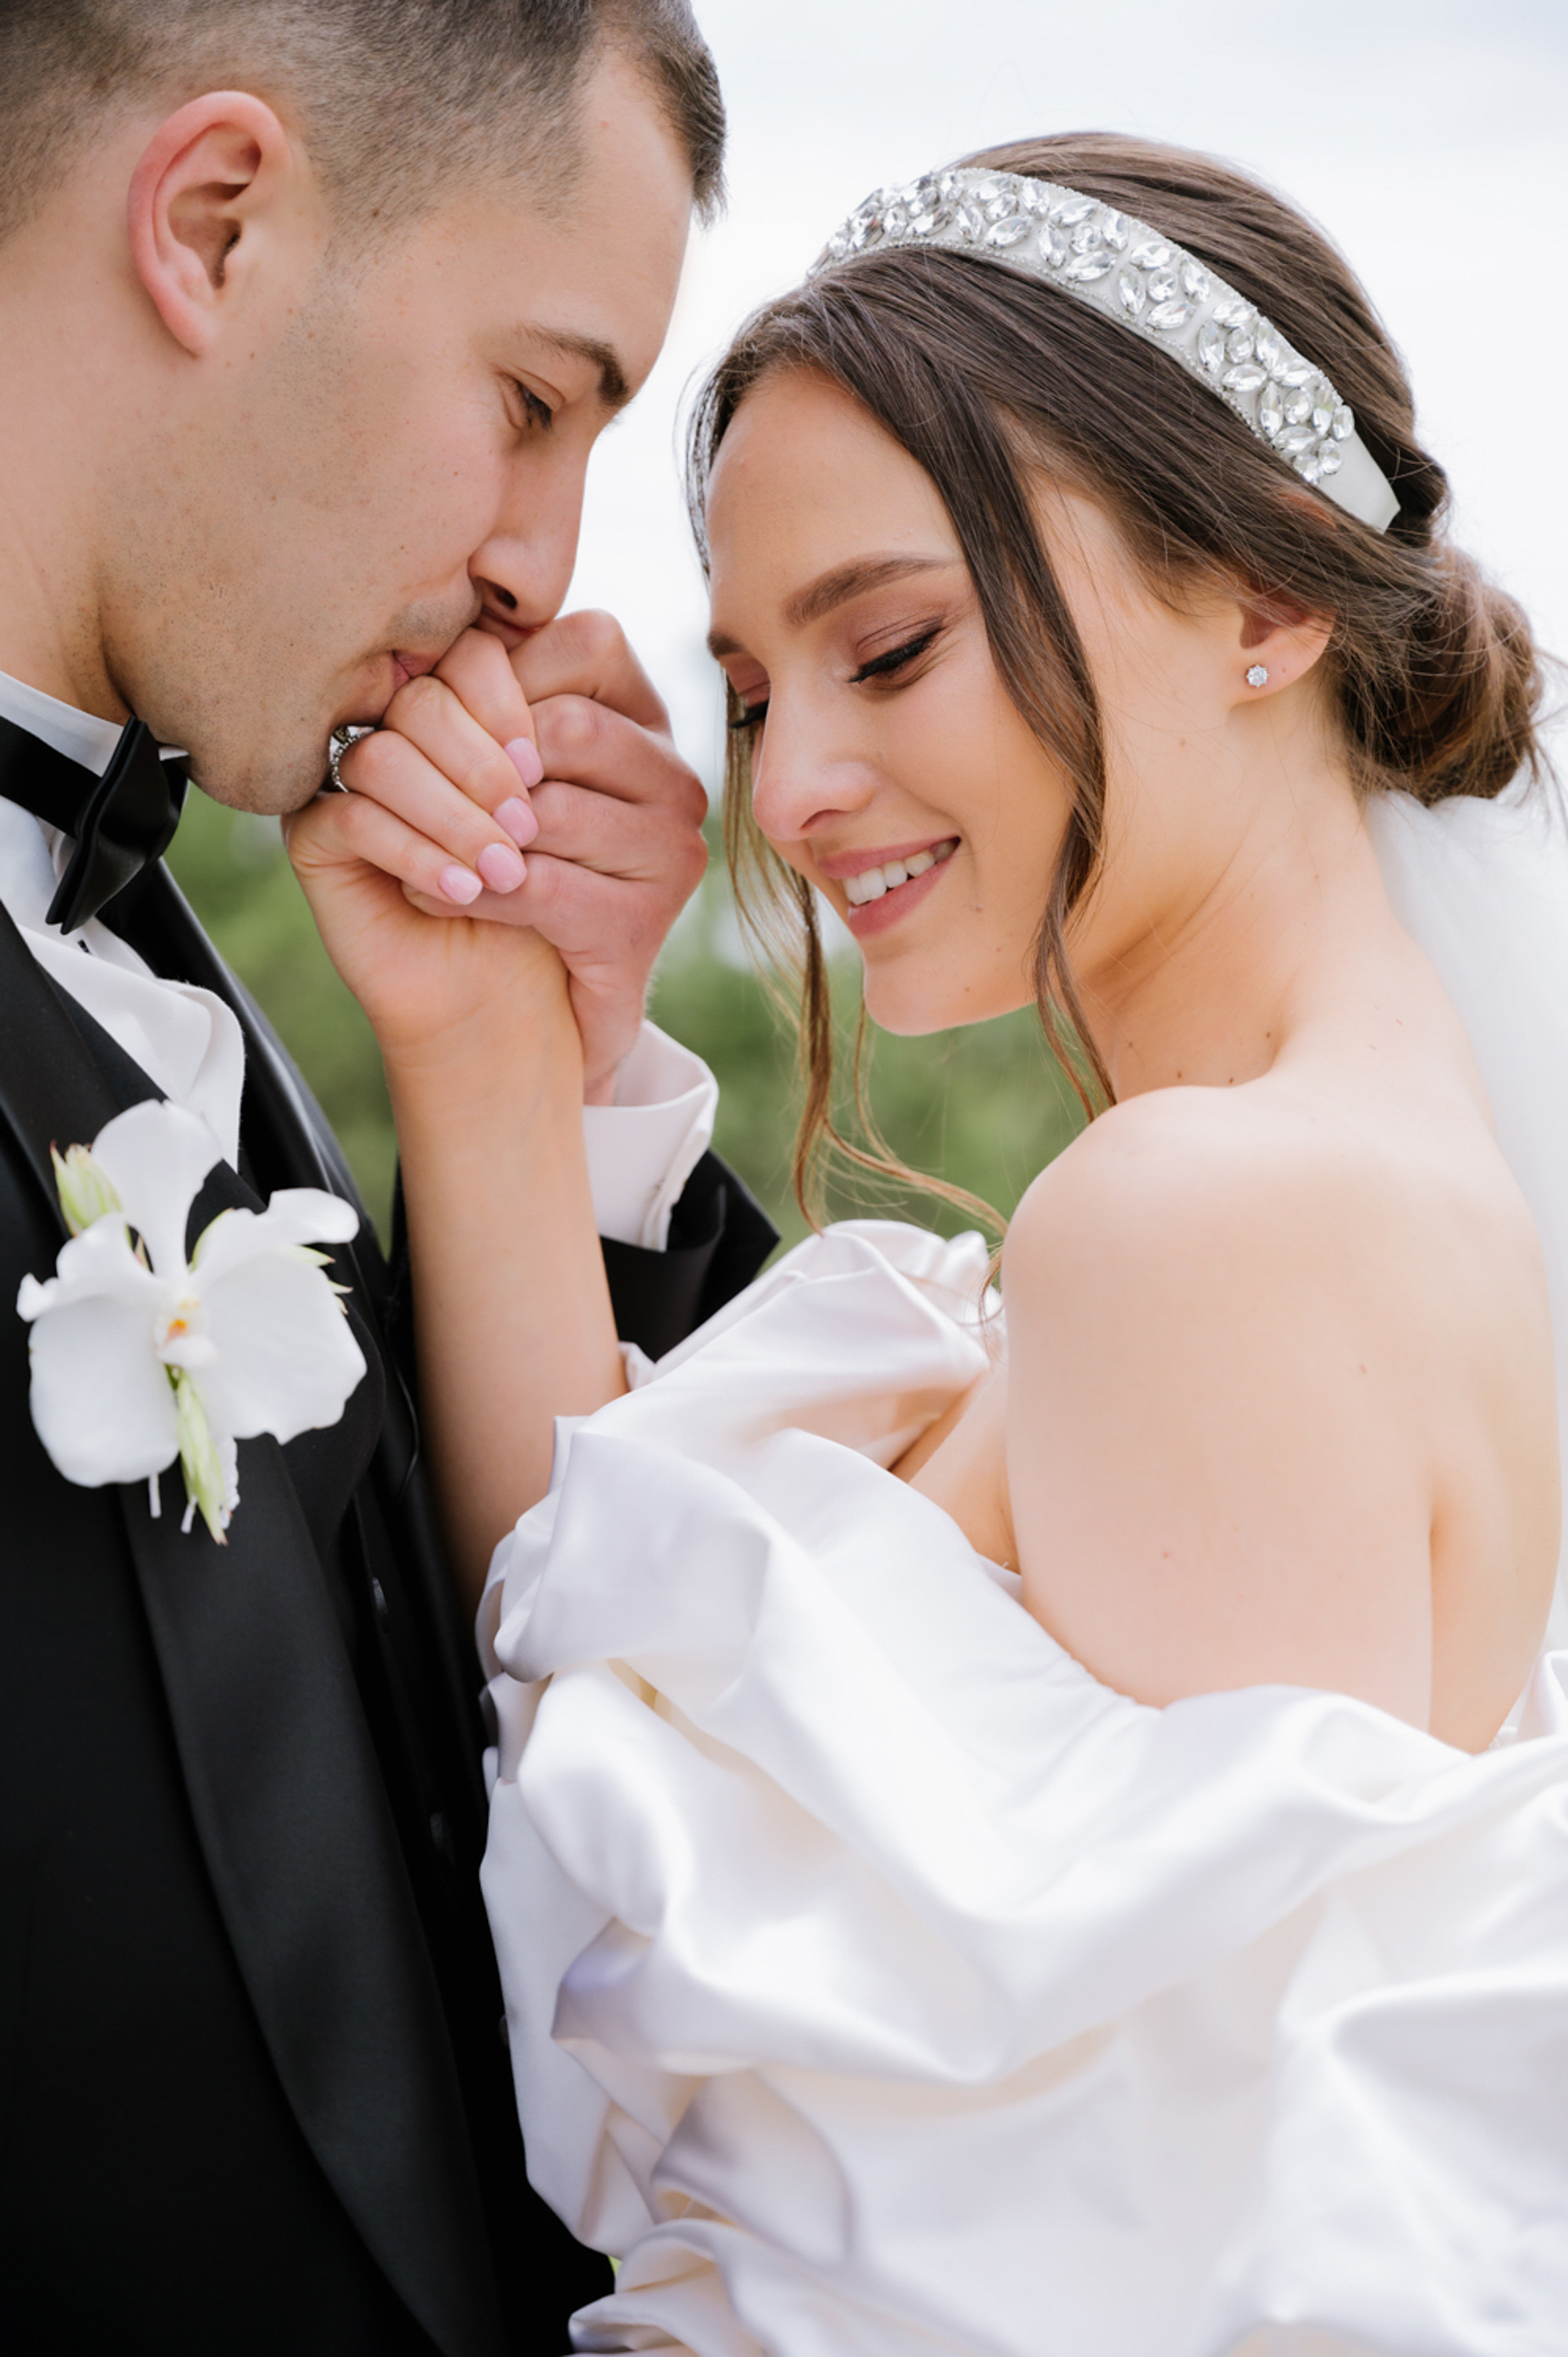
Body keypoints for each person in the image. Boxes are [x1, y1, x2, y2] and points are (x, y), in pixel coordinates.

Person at [292, 134, 1568, 2353]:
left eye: (887, 646)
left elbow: (1123, 2258)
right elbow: (622, 1664)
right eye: (759, 691)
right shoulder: (1304, 1182)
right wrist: (490, 1051)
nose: (781, 794)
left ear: (1268, 600)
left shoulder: (1203, 1231)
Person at [0, 6, 779, 2353]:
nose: (541, 573)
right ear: (214, 223)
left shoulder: (190, 998)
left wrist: (549, 1071)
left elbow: (547, 1813)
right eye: (533, 402)